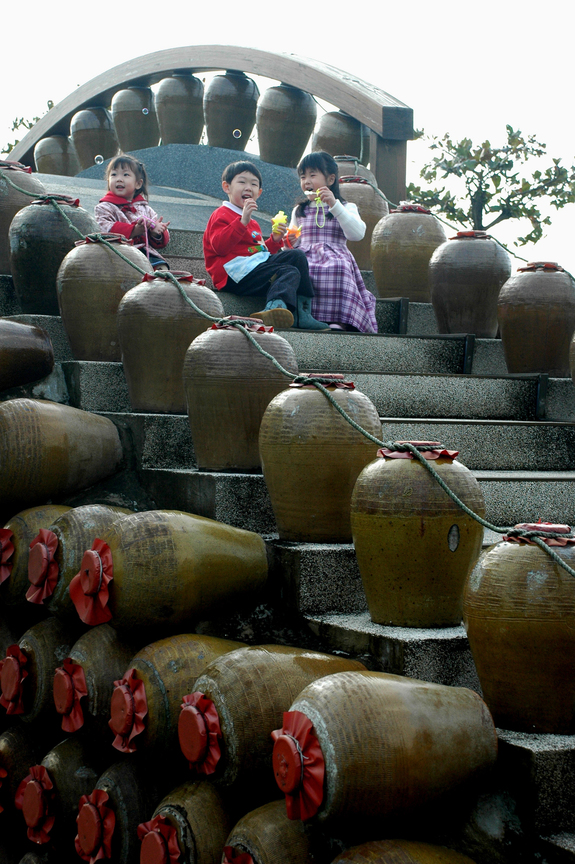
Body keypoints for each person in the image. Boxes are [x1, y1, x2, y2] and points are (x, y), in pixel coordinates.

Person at [203, 160, 329, 329]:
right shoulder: (221, 214)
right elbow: (219, 247)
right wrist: (241, 222)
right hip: (232, 274)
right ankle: (273, 307)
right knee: (288, 271)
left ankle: (302, 312)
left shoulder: (253, 223)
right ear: (227, 187)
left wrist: (275, 240)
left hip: (251, 268)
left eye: (254, 184)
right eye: (242, 182)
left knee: (297, 256)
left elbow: (258, 252)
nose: (248, 187)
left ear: (259, 192)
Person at [290, 151, 378, 333]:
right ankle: (306, 316)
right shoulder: (299, 210)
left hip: (335, 254)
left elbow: (357, 234)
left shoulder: (346, 207)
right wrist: (289, 241)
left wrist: (334, 205)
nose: (307, 181)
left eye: (312, 175)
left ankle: (340, 320)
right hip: (305, 255)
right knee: (301, 268)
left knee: (337, 267)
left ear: (330, 180)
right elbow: (293, 240)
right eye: (303, 176)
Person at [94, 155, 170, 270]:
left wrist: (156, 232)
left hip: (145, 254)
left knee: (162, 268)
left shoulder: (145, 209)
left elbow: (160, 239)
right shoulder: (104, 207)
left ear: (138, 184)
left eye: (126, 175)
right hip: (119, 254)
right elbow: (103, 228)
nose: (119, 179)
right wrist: (133, 231)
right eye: (114, 174)